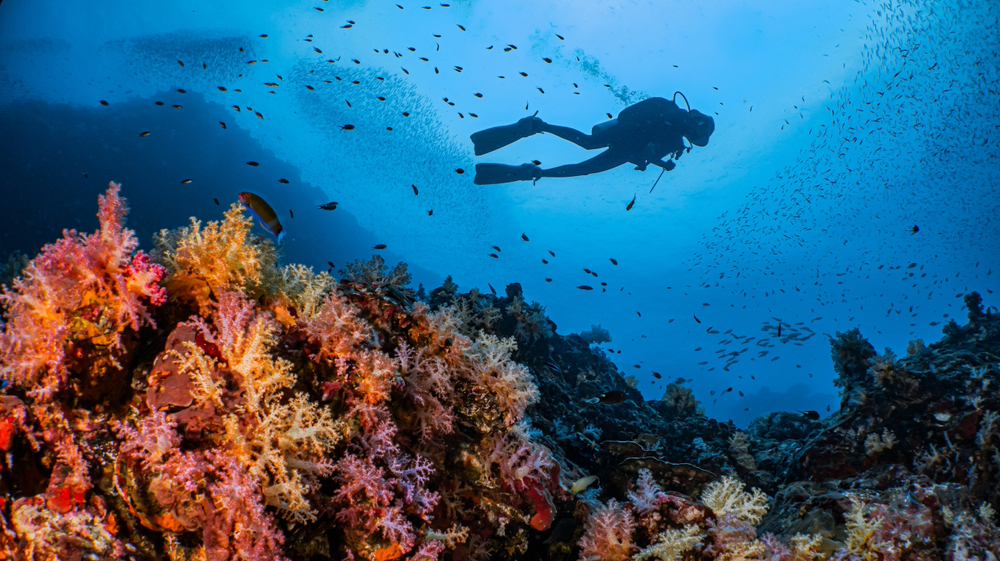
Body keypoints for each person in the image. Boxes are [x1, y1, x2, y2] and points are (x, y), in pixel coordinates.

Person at [471, 96, 715, 185]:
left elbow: (648, 154)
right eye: (698, 131)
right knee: (584, 165)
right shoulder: (674, 127)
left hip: (625, 139)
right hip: (627, 139)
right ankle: (535, 171)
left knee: (586, 145)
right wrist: (656, 160)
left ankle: (537, 128)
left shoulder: (675, 139)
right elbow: (650, 148)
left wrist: (660, 163)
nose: (693, 133)